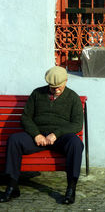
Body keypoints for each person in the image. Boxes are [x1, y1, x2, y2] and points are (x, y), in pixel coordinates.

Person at [0, 66, 84, 204]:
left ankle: (71, 189)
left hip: (60, 138)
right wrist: (36, 135)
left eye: (59, 86)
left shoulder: (73, 97)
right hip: (38, 136)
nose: (56, 89)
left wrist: (56, 134)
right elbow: (26, 117)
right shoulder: (37, 94)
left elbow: (76, 124)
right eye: (52, 87)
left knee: (76, 143)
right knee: (14, 140)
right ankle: (12, 186)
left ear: (66, 81)